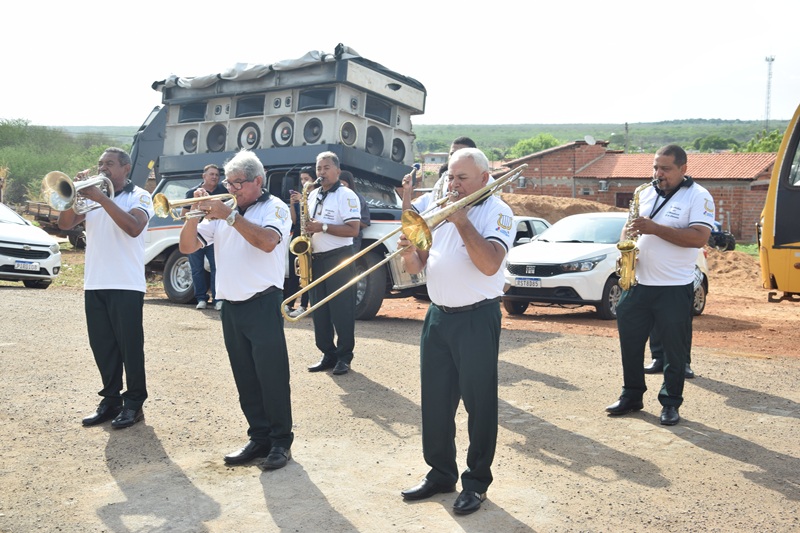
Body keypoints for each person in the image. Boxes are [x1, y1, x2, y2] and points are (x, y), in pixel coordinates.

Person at [398, 148, 513, 515]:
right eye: (450, 176)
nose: (453, 184)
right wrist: (408, 251)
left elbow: (490, 264)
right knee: (435, 401)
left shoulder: (497, 212)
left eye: (462, 178)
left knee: (480, 404)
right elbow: (418, 265)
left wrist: (462, 221)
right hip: (438, 316)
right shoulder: (439, 208)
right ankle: (440, 473)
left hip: (477, 317)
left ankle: (476, 482)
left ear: (484, 178)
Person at [178, 149, 294, 469]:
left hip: (263, 301)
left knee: (271, 376)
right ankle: (258, 437)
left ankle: (280, 441)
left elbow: (267, 242)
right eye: (229, 183)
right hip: (230, 304)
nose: (231, 189)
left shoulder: (275, 207)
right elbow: (187, 247)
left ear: (258, 181)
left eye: (238, 183)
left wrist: (229, 216)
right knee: (245, 377)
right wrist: (193, 214)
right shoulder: (223, 211)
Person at [605, 144, 714, 426]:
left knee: (674, 352)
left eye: (665, 168)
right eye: (655, 167)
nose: (658, 173)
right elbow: (630, 226)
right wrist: (625, 246)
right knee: (630, 345)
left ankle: (670, 403)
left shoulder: (698, 196)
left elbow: (699, 237)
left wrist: (654, 229)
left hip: (673, 287)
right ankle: (631, 395)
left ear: (683, 169)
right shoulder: (645, 192)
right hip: (637, 284)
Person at [58, 147, 154, 429]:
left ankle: (134, 404)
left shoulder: (139, 195)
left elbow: (134, 227)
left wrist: (102, 198)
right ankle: (111, 400)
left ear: (126, 168)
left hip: (126, 283)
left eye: (109, 164)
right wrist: (74, 196)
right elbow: (65, 224)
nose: (102, 168)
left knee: (130, 347)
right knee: (102, 346)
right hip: (95, 281)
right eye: (100, 164)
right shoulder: (94, 198)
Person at [304, 151, 361, 376]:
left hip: (339, 258)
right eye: (319, 168)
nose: (321, 172)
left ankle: (344, 356)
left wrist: (323, 227)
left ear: (338, 170)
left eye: (326, 168)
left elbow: (353, 229)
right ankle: (327, 353)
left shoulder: (346, 195)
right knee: (319, 310)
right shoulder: (312, 194)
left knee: (342, 310)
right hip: (316, 258)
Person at [184, 164, 226, 310]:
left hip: (215, 236)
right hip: (197, 234)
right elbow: (184, 215)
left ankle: (217, 299)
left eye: (217, 175)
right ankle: (201, 298)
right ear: (204, 176)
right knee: (197, 268)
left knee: (217, 267)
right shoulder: (192, 192)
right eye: (211, 174)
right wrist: (197, 212)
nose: (215, 177)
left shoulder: (224, 191)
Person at [401, 136, 477, 213]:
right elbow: (409, 214)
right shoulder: (439, 186)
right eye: (452, 154)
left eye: (460, 154)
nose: (454, 157)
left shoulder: (479, 193)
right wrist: (407, 191)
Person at [286, 167, 316, 318]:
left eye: (307, 179)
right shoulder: (300, 196)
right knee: (294, 271)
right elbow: (294, 220)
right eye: (302, 179)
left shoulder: (315, 196)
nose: (304, 182)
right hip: (298, 235)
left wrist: (304, 199)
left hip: (310, 236)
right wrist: (292, 204)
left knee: (307, 273)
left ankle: (304, 305)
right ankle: (289, 303)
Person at [339, 170, 370, 252]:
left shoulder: (357, 198)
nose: (341, 188)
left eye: (343, 185)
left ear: (350, 184)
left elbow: (365, 222)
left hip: (352, 238)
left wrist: (350, 220)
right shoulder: (335, 197)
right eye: (338, 185)